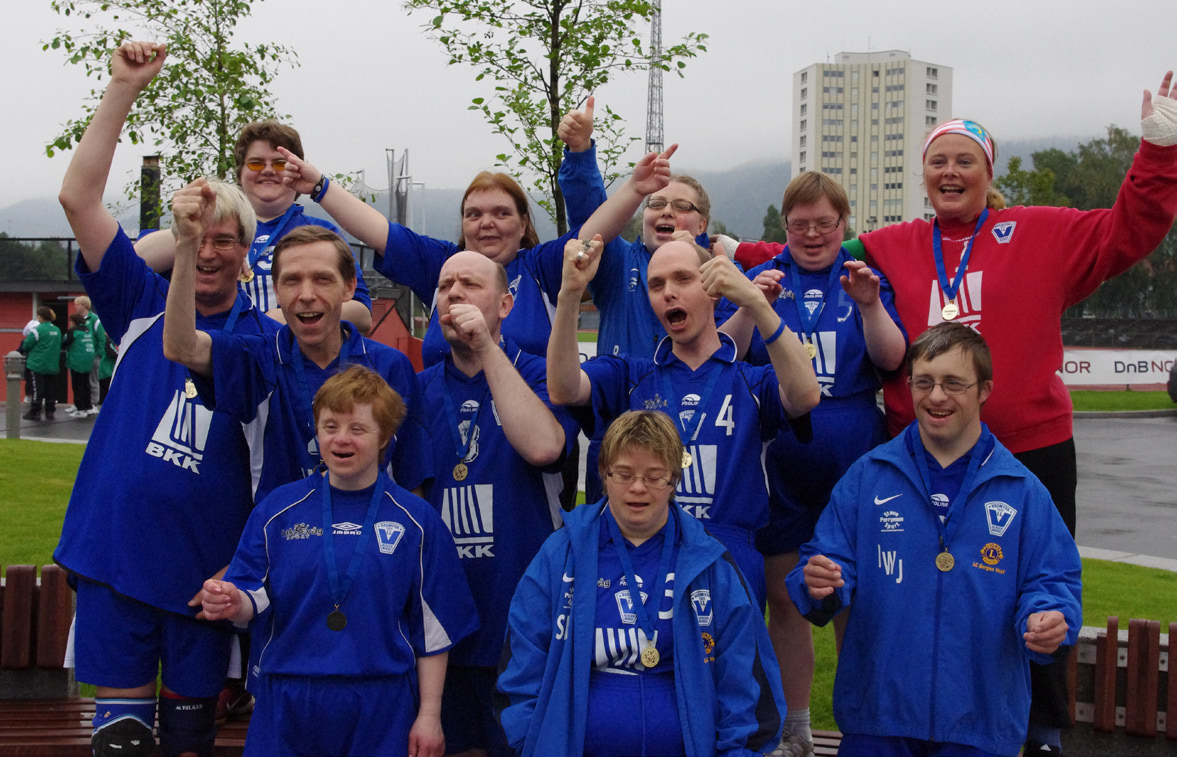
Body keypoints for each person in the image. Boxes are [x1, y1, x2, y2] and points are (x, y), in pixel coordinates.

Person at [730, 74, 1177, 754]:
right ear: (922, 175)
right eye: (936, 160)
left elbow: (1128, 231)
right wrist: (715, 244)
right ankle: (906, 724)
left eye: (963, 159)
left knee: (1036, 593)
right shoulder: (891, 244)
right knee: (922, 602)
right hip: (920, 453)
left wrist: (1157, 153)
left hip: (1027, 447)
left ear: (986, 171)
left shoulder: (1041, 230)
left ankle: (1038, 731)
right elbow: (804, 247)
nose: (948, 171)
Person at [53, 41, 280, 757]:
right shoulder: (139, 304)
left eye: (224, 239)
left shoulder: (263, 341)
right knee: (120, 742)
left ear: (246, 251)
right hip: (115, 557)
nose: (208, 250)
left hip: (203, 577)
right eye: (195, 236)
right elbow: (78, 199)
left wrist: (243, 571)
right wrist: (121, 88)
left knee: (188, 743)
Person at [786, 323, 1082, 757]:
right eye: (924, 382)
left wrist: (1048, 616)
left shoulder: (1023, 491)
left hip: (981, 724)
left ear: (984, 390)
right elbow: (822, 565)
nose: (936, 396)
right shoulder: (867, 478)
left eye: (953, 383)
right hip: (878, 719)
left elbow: (1053, 582)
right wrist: (818, 582)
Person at [719, 171, 906, 757]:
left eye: (825, 223)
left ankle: (860, 721)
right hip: (781, 463)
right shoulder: (764, 276)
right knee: (785, 597)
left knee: (854, 591)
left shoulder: (865, 277)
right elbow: (727, 351)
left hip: (856, 458)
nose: (813, 234)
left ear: (844, 225)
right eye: (800, 224)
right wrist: (754, 304)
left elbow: (893, 357)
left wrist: (871, 306)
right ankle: (795, 724)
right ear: (785, 226)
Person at [200, 365, 477, 757]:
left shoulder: (416, 520)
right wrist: (232, 601)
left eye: (357, 429)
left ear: (385, 438)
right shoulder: (278, 510)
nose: (341, 439)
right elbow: (251, 594)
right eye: (330, 426)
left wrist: (429, 715)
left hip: (379, 700)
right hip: (288, 695)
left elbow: (434, 630)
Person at [548, 235, 820, 609]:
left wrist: (756, 303)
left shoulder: (749, 380)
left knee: (728, 668)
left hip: (729, 556)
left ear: (714, 290)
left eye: (682, 279)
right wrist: (569, 296)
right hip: (647, 553)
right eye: (656, 285)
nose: (668, 293)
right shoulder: (633, 374)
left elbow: (807, 395)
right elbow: (563, 388)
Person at [497, 410, 786, 757]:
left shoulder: (709, 562)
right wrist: (530, 742)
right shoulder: (561, 553)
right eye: (624, 474)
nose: (637, 487)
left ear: (674, 480)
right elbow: (522, 661)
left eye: (654, 476)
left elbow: (742, 676)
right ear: (604, 475)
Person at [272, 119, 669, 368]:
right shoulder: (444, 266)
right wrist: (320, 187)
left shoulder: (540, 266)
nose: (487, 224)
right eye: (474, 214)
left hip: (534, 443)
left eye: (501, 213)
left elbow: (594, 232)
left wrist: (634, 189)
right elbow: (377, 229)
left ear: (523, 223)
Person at [415, 250, 581, 756]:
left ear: (506, 303)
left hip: (522, 618)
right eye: (445, 286)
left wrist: (487, 349)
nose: (454, 294)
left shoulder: (545, 375)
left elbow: (544, 447)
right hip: (447, 621)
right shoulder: (418, 390)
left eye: (469, 284)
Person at [163, 221, 431, 506]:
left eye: (322, 279)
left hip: (370, 545)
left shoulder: (389, 366)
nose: (306, 295)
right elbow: (181, 347)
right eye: (292, 281)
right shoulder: (257, 358)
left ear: (349, 286)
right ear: (276, 291)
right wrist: (186, 245)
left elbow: (412, 476)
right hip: (283, 542)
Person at [136, 120, 375, 333]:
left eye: (280, 163)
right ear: (240, 173)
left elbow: (362, 314)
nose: (268, 170)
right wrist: (191, 229)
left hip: (289, 360)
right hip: (208, 353)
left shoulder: (321, 234)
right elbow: (135, 260)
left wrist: (284, 317)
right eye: (256, 163)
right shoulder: (206, 227)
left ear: (297, 171)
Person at [20, 306, 62, 421]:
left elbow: (27, 344)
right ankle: (50, 412)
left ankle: (35, 411)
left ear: (41, 316)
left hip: (37, 364)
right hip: (52, 364)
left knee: (37, 389)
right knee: (50, 390)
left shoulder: (37, 330)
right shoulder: (57, 330)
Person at [63, 311, 97, 418]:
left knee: (78, 385)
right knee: (86, 384)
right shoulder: (87, 330)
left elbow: (64, 342)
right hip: (88, 360)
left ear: (73, 322)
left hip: (77, 361)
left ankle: (80, 409)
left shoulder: (73, 331)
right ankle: (88, 407)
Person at [74, 295, 103, 407]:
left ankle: (94, 403)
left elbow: (101, 337)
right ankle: (80, 403)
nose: (75, 307)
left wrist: (98, 354)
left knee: (93, 380)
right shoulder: (77, 320)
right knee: (81, 381)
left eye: (77, 305)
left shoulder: (94, 319)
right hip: (80, 356)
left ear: (84, 306)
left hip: (93, 355)